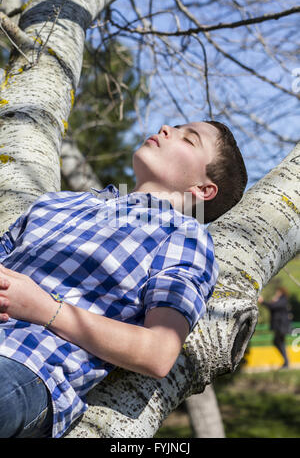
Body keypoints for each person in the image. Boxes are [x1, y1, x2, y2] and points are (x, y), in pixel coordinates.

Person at [0, 121, 248, 438]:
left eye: (189, 139)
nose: (166, 127)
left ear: (202, 189)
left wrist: (44, 309)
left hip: (26, 366)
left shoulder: (185, 236)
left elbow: (158, 352)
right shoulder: (58, 202)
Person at [258, 287, 291, 369]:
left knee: (278, 342)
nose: (276, 293)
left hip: (281, 326)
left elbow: (273, 307)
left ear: (281, 292)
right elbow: (272, 307)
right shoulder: (280, 300)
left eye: (277, 292)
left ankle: (286, 362)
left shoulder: (283, 300)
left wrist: (263, 302)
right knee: (279, 342)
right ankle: (286, 362)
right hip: (279, 326)